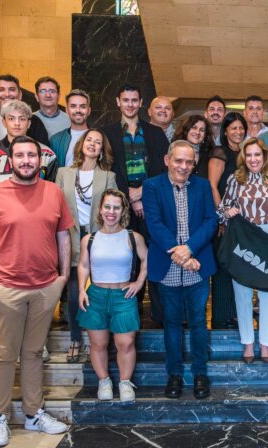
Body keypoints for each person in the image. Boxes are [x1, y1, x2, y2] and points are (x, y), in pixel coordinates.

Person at [0, 136, 71, 447]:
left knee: (33, 354)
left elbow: (64, 237)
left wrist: (62, 279)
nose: (26, 160)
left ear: (39, 160)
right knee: (4, 355)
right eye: (20, 155)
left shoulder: (54, 192)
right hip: (7, 289)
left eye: (32, 155)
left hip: (45, 288)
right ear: (9, 160)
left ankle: (33, 413)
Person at [143, 140, 218, 400]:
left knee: (198, 322)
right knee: (171, 323)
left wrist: (190, 249)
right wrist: (180, 253)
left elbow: (211, 221)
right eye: (178, 160)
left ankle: (200, 375)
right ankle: (174, 375)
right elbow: (154, 224)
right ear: (167, 159)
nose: (183, 166)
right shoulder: (151, 186)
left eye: (189, 162)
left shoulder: (203, 185)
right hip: (167, 268)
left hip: (197, 265)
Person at [218, 138, 268, 363]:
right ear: (243, 157)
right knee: (242, 293)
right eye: (249, 155)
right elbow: (221, 209)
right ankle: (248, 344)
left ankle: (265, 343)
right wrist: (228, 211)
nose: (253, 159)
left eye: (257, 155)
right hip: (243, 239)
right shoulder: (235, 179)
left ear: (264, 157)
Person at [102, 84, 169, 323]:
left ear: (141, 103)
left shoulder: (155, 133)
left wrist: (142, 193)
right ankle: (130, 312)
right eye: (125, 100)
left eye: (134, 100)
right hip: (120, 206)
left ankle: (160, 315)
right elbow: (107, 167)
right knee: (126, 258)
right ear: (118, 102)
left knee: (157, 256)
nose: (130, 104)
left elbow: (163, 169)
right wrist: (128, 194)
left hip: (152, 205)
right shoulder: (106, 133)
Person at [77, 189, 147, 402]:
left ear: (123, 210)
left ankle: (125, 382)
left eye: (116, 207)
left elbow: (146, 261)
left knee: (125, 342)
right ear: (100, 209)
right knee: (98, 343)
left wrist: (138, 282)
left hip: (123, 296)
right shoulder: (89, 239)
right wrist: (81, 289)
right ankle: (104, 380)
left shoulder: (133, 237)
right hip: (95, 295)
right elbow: (83, 265)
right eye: (107, 206)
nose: (111, 211)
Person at [56, 129, 117, 362]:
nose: (93, 144)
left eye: (98, 142)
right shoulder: (64, 173)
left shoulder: (107, 176)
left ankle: (101, 340)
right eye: (89, 140)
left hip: (98, 238)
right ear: (81, 144)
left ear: (102, 149)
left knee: (101, 293)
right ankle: (75, 338)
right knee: (73, 295)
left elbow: (113, 207)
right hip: (70, 237)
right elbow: (57, 206)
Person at [207, 112, 247, 329]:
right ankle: (221, 318)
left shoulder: (243, 154)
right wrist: (221, 216)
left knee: (237, 268)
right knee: (223, 268)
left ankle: (233, 314)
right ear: (225, 131)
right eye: (234, 128)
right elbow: (212, 185)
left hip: (240, 222)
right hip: (223, 222)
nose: (238, 132)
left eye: (241, 128)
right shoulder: (220, 153)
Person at [0, 100, 59, 190]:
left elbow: (52, 192)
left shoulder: (47, 154)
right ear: (4, 122)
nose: (17, 123)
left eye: (22, 119)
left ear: (29, 123)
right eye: (11, 118)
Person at [0, 74, 49, 146]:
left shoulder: (34, 122)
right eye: (1, 89)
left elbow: (44, 153)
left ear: (20, 95)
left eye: (12, 89)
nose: (7, 94)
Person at [50, 89, 92, 167]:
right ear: (67, 110)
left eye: (83, 106)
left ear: (89, 110)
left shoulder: (100, 138)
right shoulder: (55, 140)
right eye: (73, 106)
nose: (78, 110)